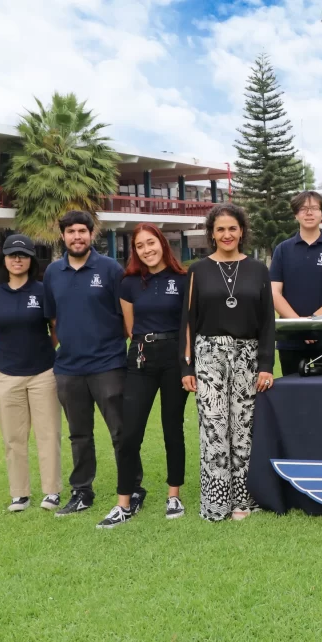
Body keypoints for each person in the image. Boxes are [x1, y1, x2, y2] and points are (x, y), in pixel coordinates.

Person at [180, 203, 275, 522]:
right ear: (211, 233)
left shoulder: (259, 270)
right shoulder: (197, 270)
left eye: (232, 228)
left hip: (248, 357)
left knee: (244, 429)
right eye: (220, 229)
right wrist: (187, 367)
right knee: (214, 429)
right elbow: (188, 321)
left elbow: (267, 323)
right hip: (208, 357)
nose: (226, 234)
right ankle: (215, 502)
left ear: (242, 231)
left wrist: (266, 365)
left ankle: (243, 500)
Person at [96, 223, 189, 529]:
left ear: (162, 243)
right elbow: (130, 327)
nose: (147, 250)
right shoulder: (130, 283)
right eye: (139, 246)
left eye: (151, 243)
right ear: (134, 251)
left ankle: (173, 495)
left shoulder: (183, 279)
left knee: (172, 428)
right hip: (140, 357)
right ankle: (123, 502)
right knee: (129, 432)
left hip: (174, 358)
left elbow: (189, 325)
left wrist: (187, 363)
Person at [43, 210, 128, 517]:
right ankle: (82, 491)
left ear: (92, 234)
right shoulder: (53, 272)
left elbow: (124, 317)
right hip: (69, 369)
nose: (76, 236)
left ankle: (130, 488)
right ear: (62, 236)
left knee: (120, 431)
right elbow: (53, 318)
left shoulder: (109, 269)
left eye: (82, 231)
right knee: (79, 434)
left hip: (108, 364)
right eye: (70, 232)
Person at [0, 233, 61, 513]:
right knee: (13, 438)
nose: (17, 259)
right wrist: (9, 355)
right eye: (12, 254)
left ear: (31, 260)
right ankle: (19, 494)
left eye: (23, 254)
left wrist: (39, 352)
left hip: (43, 373)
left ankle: (52, 491)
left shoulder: (42, 291)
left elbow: (55, 329)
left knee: (48, 434)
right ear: (4, 258)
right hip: (6, 375)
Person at [270, 191, 322, 375]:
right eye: (303, 209)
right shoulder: (283, 249)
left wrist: (313, 321)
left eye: (314, 208)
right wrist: (299, 324)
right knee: (293, 395)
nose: (309, 213)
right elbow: (274, 293)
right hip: (290, 338)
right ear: (296, 214)